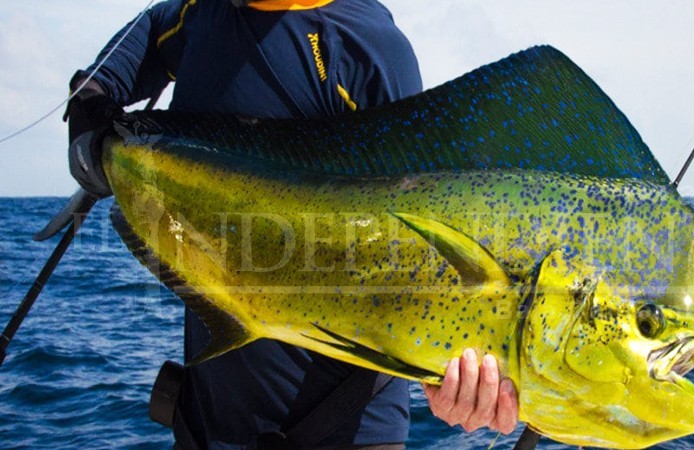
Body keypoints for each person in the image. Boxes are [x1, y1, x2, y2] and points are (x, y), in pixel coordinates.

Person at [65, 1, 517, 449]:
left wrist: (452, 383)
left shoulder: (370, 47)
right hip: (206, 426)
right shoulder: (199, 15)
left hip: (349, 433)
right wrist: (93, 96)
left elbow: (422, 251)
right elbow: (146, 35)